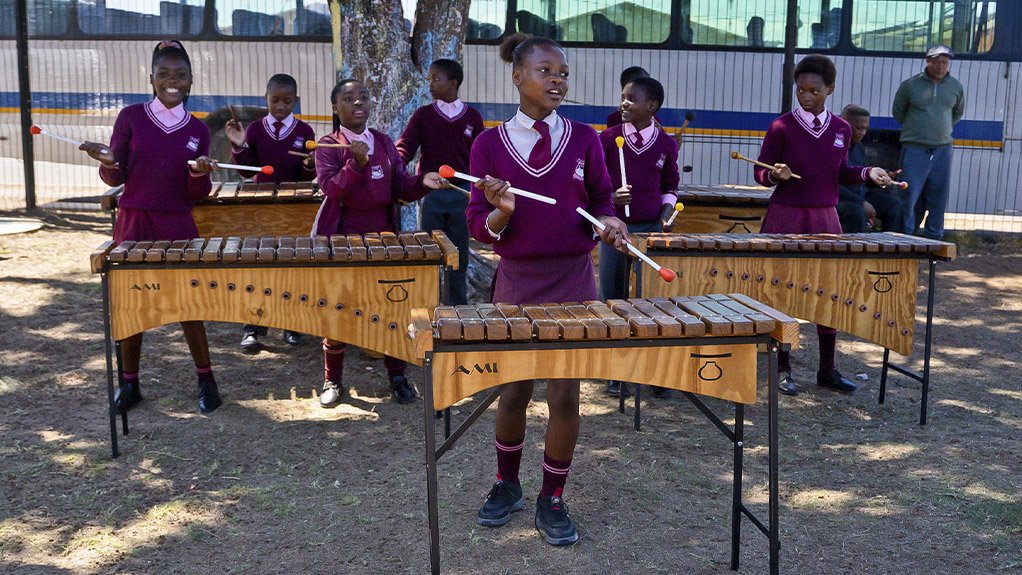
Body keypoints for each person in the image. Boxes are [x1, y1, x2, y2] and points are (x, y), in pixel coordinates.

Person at [466, 32, 629, 546]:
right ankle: (507, 484)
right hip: (516, 279)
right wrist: (501, 211)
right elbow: (478, 226)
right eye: (545, 71)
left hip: (574, 278)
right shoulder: (488, 144)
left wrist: (609, 221)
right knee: (513, 388)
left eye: (563, 74)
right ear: (518, 77)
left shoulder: (584, 138)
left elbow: (602, 199)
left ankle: (553, 496)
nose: (557, 81)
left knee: (564, 392)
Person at [80, 40, 222, 414]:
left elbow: (197, 194)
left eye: (180, 75)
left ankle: (206, 381)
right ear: (151, 78)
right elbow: (116, 174)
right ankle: (130, 386)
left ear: (190, 80)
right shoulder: (131, 117)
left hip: (177, 224)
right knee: (133, 304)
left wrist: (199, 174)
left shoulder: (198, 129)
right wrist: (108, 161)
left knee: (189, 304)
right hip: (134, 222)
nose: (171, 81)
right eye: (164, 74)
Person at [753, 54, 892, 397]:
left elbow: (841, 172)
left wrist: (868, 173)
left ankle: (827, 369)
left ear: (830, 89)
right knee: (782, 290)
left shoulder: (841, 129)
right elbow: (759, 172)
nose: (806, 96)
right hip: (785, 216)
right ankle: (783, 368)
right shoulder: (781, 127)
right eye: (800, 90)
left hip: (825, 218)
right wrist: (774, 175)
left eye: (814, 90)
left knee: (829, 290)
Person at [312, 78, 446, 408]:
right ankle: (333, 379)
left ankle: (397, 377)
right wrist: (355, 163)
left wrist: (422, 183)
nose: (357, 102)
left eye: (363, 96)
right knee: (338, 309)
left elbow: (400, 187)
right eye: (348, 98)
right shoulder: (328, 145)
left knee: (389, 308)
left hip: (384, 238)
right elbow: (331, 189)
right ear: (335, 107)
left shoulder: (384, 143)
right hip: (342, 239)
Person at [598, 75, 679, 398]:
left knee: (653, 302)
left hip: (650, 230)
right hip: (615, 230)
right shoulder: (608, 139)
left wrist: (666, 213)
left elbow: (670, 187)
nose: (624, 103)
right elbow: (592, 185)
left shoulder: (666, 144)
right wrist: (611, 198)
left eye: (632, 99)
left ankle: (656, 373)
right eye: (623, 96)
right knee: (613, 298)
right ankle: (616, 371)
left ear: (652, 106)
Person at [225, 73, 316, 352]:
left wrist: (310, 165)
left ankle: (291, 323)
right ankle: (253, 326)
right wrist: (239, 145)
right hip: (261, 206)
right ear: (266, 98)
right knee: (258, 264)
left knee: (291, 264)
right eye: (274, 100)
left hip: (292, 208)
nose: (280, 106)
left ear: (295, 101)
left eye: (287, 101)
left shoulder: (305, 132)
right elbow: (246, 170)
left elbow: (307, 175)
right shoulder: (254, 129)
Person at [396, 58, 484, 305]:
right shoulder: (423, 115)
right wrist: (394, 164)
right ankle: (429, 304)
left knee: (459, 254)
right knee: (429, 250)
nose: (431, 85)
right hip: (431, 193)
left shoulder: (472, 117)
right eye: (430, 79)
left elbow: (481, 155)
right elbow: (406, 146)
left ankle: (457, 307)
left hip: (462, 194)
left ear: (453, 83)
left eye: (436, 79)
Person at [892, 44, 965, 240]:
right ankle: (905, 236)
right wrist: (917, 130)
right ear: (928, 62)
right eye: (937, 62)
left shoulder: (955, 87)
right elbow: (898, 111)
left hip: (942, 149)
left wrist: (940, 130)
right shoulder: (910, 85)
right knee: (908, 195)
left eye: (945, 63)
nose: (941, 66)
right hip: (914, 148)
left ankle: (935, 237)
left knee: (939, 196)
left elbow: (957, 113)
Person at [835, 104, 905, 233]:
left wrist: (879, 178)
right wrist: (861, 202)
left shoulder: (859, 148)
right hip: (840, 199)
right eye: (859, 128)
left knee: (894, 205)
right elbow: (831, 185)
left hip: (860, 196)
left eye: (866, 128)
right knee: (856, 211)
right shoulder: (834, 147)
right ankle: (855, 245)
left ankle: (891, 243)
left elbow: (860, 177)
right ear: (844, 124)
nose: (863, 133)